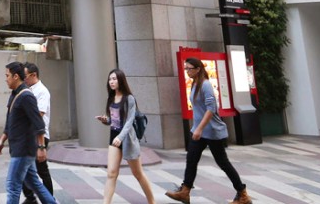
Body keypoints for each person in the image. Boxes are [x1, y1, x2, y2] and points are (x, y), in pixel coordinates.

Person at [165, 57, 250, 204]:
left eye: (189, 68)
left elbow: (211, 109)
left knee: (223, 163)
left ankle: (242, 194)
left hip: (212, 132)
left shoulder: (205, 85)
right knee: (191, 159)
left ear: (198, 69)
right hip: (199, 131)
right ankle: (185, 192)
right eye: (185, 68)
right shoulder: (194, 84)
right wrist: (197, 129)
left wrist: (199, 128)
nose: (187, 71)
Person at [0, 62, 57, 204]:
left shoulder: (26, 96)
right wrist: (2, 140)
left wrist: (41, 148)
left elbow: (39, 123)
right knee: (35, 184)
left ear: (16, 76)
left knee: (12, 186)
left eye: (7, 75)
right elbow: (10, 120)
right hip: (18, 147)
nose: (6, 79)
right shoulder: (15, 94)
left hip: (24, 149)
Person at [95, 68, 155, 204]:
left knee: (138, 174)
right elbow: (114, 120)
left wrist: (120, 138)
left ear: (121, 80)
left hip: (127, 139)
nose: (112, 81)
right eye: (110, 79)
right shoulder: (111, 98)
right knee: (111, 173)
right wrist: (106, 120)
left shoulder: (129, 98)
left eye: (114, 79)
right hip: (114, 137)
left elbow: (128, 121)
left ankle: (152, 201)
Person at [21, 62, 54, 204]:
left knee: (41, 170)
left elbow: (38, 114)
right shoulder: (28, 90)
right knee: (24, 168)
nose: (23, 79)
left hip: (40, 136)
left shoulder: (42, 91)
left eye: (25, 76)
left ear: (33, 75)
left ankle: (48, 199)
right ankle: (30, 198)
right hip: (29, 135)